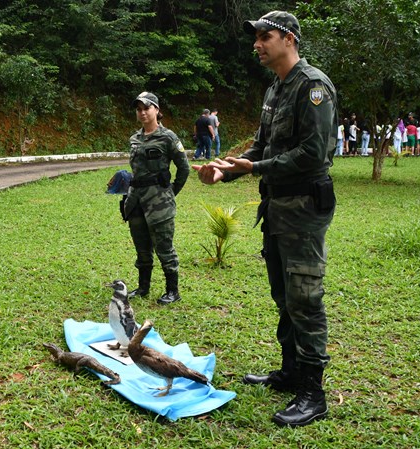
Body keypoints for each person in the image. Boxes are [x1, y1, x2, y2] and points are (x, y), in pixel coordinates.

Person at [194, 11, 337, 427]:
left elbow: (315, 153)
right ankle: (291, 371)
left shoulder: (312, 87)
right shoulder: (276, 88)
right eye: (256, 37)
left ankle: (314, 392)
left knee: (305, 298)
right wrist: (226, 169)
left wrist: (253, 169)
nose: (257, 44)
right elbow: (261, 145)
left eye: (265, 36)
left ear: (289, 39)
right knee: (283, 295)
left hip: (305, 208)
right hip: (276, 207)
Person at [123, 92, 190, 305]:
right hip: (136, 201)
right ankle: (143, 288)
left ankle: (173, 291)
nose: (142, 112)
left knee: (164, 248)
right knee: (141, 246)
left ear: (157, 110)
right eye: (139, 109)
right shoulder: (134, 138)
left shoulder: (168, 137)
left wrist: (170, 192)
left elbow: (184, 168)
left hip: (159, 202)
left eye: (147, 108)